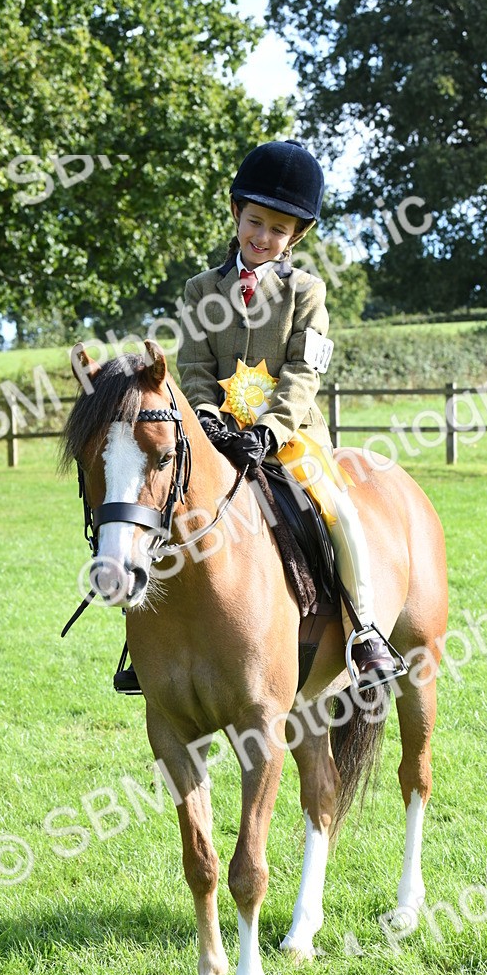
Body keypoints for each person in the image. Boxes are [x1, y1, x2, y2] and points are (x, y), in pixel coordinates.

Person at [115, 139, 400, 694]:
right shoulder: (201, 290)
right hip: (213, 437)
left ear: (296, 236)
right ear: (236, 214)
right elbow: (194, 364)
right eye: (255, 221)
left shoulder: (308, 293)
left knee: (339, 511)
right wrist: (206, 418)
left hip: (290, 438)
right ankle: (142, 645)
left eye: (277, 229)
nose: (262, 236)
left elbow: (302, 373)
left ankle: (364, 632)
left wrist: (269, 430)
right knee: (162, 510)